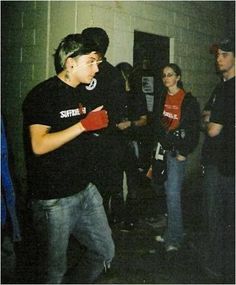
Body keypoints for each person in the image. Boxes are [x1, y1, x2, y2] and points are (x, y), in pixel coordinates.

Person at [22, 33, 115, 284]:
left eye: (98, 62)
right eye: (92, 61)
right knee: (53, 272)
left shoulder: (82, 94)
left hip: (85, 190)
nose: (97, 68)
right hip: (54, 200)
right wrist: (84, 126)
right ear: (71, 63)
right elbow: (39, 145)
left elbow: (78, 137)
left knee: (105, 251)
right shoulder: (42, 95)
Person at [77, 27, 127, 223]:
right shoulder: (82, 71)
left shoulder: (112, 75)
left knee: (100, 193)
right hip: (85, 141)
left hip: (103, 145)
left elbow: (115, 113)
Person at [153, 63, 200, 252]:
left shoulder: (187, 100)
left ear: (178, 77)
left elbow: (193, 130)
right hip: (163, 151)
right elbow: (158, 122)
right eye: (164, 75)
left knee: (173, 194)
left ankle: (175, 238)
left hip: (176, 153)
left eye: (170, 75)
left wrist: (184, 152)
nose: (166, 78)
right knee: (167, 191)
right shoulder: (162, 97)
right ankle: (170, 232)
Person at [200, 36, 235, 283]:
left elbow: (212, 128)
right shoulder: (220, 87)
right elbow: (206, 112)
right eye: (217, 54)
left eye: (224, 54)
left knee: (217, 219)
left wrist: (208, 122)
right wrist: (210, 119)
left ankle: (217, 268)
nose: (218, 58)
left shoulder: (228, 88)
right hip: (225, 162)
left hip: (221, 163)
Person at [115, 62, 148, 227]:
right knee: (116, 183)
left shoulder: (138, 95)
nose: (124, 78)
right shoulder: (114, 94)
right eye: (121, 74)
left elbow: (144, 120)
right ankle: (117, 217)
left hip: (132, 142)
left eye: (126, 74)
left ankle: (131, 219)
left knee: (133, 181)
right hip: (116, 142)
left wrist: (130, 124)